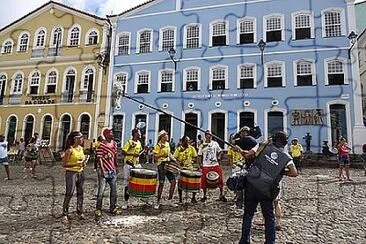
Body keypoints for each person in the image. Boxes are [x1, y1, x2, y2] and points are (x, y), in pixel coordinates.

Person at [239, 131, 298, 244]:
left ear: (273, 139)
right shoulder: (286, 157)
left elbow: (248, 155)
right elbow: (294, 173)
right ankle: (270, 242)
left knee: (248, 215)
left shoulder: (263, 146)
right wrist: (279, 171)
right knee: (269, 217)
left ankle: (244, 241)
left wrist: (240, 150)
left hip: (252, 184)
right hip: (267, 189)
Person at [61, 131, 87, 225]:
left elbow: (82, 159)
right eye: (80, 137)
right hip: (71, 173)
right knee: (69, 192)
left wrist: (83, 164)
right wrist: (76, 164)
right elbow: (64, 164)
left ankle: (79, 211)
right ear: (75, 139)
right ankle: (65, 213)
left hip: (80, 172)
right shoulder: (70, 150)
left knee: (80, 192)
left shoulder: (81, 149)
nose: (82, 139)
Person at [95, 128, 120, 221]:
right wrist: (102, 169)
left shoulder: (114, 144)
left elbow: (115, 156)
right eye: (110, 133)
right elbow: (100, 158)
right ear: (106, 135)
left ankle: (113, 207)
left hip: (112, 169)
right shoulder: (101, 145)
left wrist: (116, 166)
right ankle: (98, 208)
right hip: (104, 170)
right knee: (101, 191)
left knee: (114, 190)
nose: (112, 134)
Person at [197, 130, 226, 202]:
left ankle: (221, 194)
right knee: (204, 180)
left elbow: (220, 151)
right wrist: (199, 164)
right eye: (208, 135)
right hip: (206, 165)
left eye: (211, 135)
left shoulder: (215, 143)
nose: (209, 136)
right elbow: (199, 155)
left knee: (220, 179)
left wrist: (219, 156)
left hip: (215, 164)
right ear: (205, 135)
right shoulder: (202, 145)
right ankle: (204, 195)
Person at [153, 130, 178, 209]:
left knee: (173, 182)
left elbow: (169, 154)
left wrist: (174, 160)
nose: (167, 136)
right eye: (166, 135)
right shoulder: (158, 145)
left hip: (168, 164)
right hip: (161, 165)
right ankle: (158, 201)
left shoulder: (167, 144)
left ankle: (170, 200)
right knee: (161, 183)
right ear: (162, 137)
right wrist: (162, 154)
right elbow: (155, 156)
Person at [121, 128, 143, 209]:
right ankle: (126, 202)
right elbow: (123, 152)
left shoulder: (139, 143)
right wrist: (133, 154)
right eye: (139, 132)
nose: (140, 134)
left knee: (142, 179)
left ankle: (142, 196)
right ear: (135, 134)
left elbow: (139, 152)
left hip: (136, 165)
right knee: (127, 183)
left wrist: (140, 153)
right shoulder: (129, 142)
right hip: (128, 164)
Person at [174, 135, 198, 204]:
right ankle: (180, 199)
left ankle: (193, 198)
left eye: (188, 141)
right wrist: (178, 163)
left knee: (194, 183)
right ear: (183, 142)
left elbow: (196, 157)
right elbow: (174, 158)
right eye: (186, 141)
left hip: (190, 168)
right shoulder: (178, 149)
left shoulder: (191, 148)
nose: (188, 142)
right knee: (180, 184)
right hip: (181, 169)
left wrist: (197, 165)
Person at [227, 134, 245, 209]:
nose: (233, 140)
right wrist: (232, 164)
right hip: (235, 165)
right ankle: (237, 196)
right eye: (232, 139)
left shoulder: (242, 146)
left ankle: (241, 199)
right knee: (235, 182)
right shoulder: (230, 148)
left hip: (242, 165)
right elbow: (230, 157)